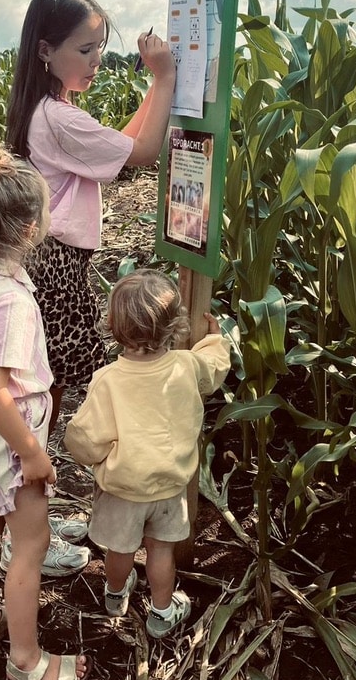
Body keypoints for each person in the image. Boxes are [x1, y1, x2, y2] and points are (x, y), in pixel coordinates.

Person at [0, 137, 91, 680]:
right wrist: (32, 450)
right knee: (29, 545)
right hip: (5, 434)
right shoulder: (11, 299)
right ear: (31, 228)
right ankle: (27, 661)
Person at [6, 0, 177, 434]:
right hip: (57, 263)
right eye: (84, 50)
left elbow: (119, 145)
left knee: (44, 371)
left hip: (46, 255)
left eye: (99, 49)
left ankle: (28, 458)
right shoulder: (60, 119)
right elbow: (143, 151)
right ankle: (31, 462)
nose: (96, 61)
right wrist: (165, 80)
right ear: (46, 50)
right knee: (51, 374)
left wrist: (153, 89)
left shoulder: (45, 109)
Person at [63, 270, 231, 638]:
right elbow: (214, 367)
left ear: (112, 326)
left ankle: (114, 595)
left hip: (122, 489)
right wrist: (215, 340)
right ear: (176, 326)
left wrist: (84, 453)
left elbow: (86, 438)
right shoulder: (186, 365)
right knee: (161, 552)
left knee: (120, 550)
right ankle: (161, 612)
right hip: (169, 487)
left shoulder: (108, 380)